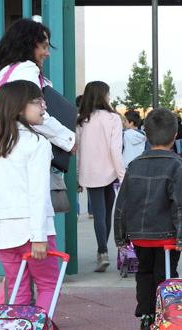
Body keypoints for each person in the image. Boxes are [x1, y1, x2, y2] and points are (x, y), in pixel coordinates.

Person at [114, 107, 182, 330]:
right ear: (175, 135)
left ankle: (147, 315)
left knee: (144, 273)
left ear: (147, 135)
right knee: (166, 275)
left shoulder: (135, 165)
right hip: (168, 235)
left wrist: (120, 235)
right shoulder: (178, 165)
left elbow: (122, 203)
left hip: (140, 235)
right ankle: (166, 314)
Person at [0, 80, 60, 311]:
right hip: (34, 230)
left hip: (5, 234)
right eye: (36, 101)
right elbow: (37, 193)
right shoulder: (37, 143)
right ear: (18, 107)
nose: (43, 106)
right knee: (47, 285)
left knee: (17, 288)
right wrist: (39, 236)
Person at [0, 18, 76, 178]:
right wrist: (69, 139)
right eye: (44, 46)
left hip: (2, 147)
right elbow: (35, 113)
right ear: (28, 44)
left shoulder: (3, 71)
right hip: (21, 152)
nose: (47, 53)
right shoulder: (26, 69)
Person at [77, 81, 126, 273]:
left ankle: (103, 251)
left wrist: (78, 176)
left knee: (98, 212)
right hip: (111, 172)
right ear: (104, 96)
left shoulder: (81, 120)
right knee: (107, 213)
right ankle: (102, 250)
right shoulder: (113, 118)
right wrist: (122, 175)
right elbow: (115, 149)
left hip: (90, 172)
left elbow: (78, 151)